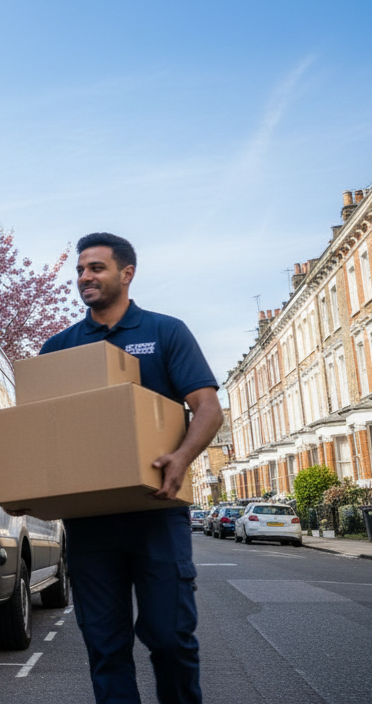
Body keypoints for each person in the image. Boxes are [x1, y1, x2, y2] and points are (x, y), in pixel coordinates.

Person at [38, 232, 223, 704]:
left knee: (169, 637)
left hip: (156, 513)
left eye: (95, 268)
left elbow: (207, 407)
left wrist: (181, 458)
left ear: (126, 273)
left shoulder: (165, 332)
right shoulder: (60, 346)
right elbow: (40, 428)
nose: (84, 278)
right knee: (105, 646)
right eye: (80, 270)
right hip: (90, 524)